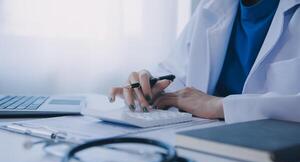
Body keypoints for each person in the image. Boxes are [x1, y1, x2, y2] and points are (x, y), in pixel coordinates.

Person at [109, 0, 300, 123]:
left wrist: (219, 106)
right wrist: (149, 88)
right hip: (205, 144)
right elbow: (175, 76)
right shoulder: (211, 7)